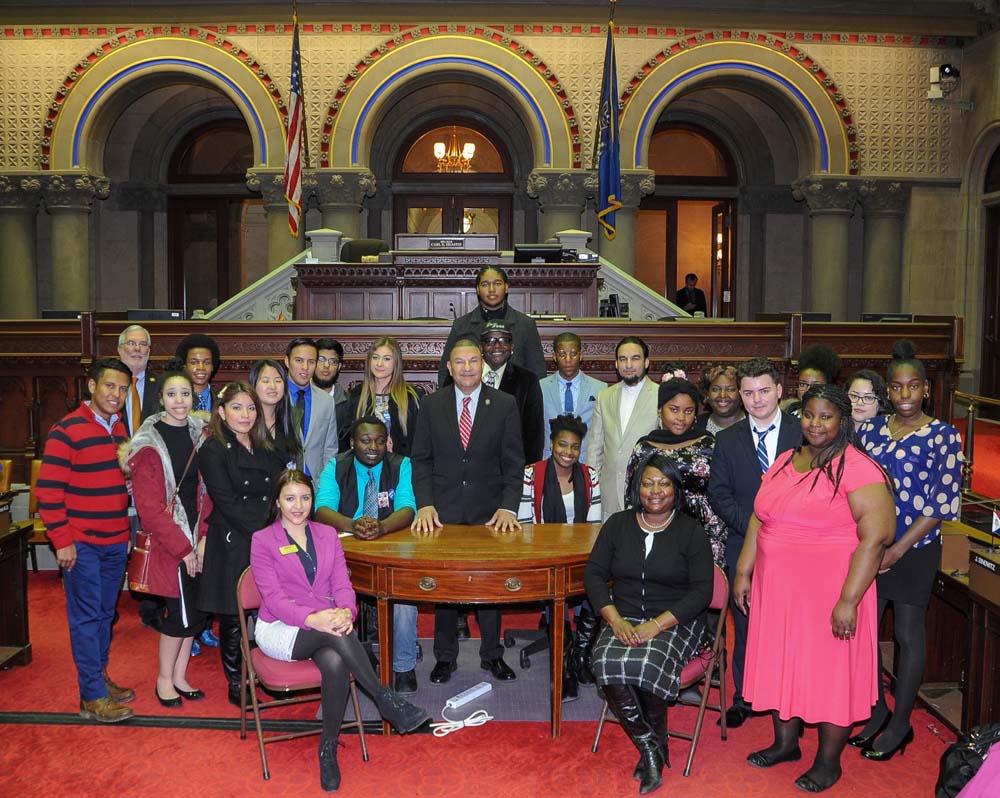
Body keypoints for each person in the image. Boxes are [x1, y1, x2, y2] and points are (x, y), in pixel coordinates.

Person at [734, 384, 896, 793]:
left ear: (842, 420)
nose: (815, 423)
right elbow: (760, 516)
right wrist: (743, 570)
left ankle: (828, 762)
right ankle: (786, 744)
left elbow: (876, 538)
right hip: (779, 591)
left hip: (831, 592)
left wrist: (849, 600)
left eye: (825, 416)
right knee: (782, 662)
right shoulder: (788, 459)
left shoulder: (857, 467)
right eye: (808, 415)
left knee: (830, 675)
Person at [251, 469, 429, 793]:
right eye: (290, 498)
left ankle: (327, 748)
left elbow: (343, 585)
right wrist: (316, 618)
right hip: (281, 628)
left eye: (305, 498)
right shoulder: (263, 540)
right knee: (334, 635)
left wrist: (346, 612)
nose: (298, 506)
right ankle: (384, 697)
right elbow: (274, 600)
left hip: (327, 623)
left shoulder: (327, 534)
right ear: (277, 502)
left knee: (334, 663)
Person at [853, 340, 963, 761]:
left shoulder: (944, 435)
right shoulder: (871, 429)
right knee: (865, 633)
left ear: (926, 390)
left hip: (914, 547)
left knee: (905, 634)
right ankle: (878, 710)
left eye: (912, 387)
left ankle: (901, 724)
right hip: (870, 545)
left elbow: (941, 504)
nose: (904, 395)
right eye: (897, 388)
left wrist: (897, 550)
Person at [584, 454, 714, 795]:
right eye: (647, 482)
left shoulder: (691, 531)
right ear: (635, 487)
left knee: (646, 661)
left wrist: (655, 626)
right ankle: (653, 747)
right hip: (623, 616)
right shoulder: (617, 525)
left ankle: (652, 749)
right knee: (604, 660)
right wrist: (613, 619)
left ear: (676, 489)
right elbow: (594, 574)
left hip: (675, 620)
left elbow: (703, 592)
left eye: (664, 483)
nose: (655, 490)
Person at [411, 338, 524, 685]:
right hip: (442, 513)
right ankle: (445, 658)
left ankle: (492, 655)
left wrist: (508, 506)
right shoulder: (431, 404)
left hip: (488, 513)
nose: (466, 368)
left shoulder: (504, 404)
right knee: (445, 589)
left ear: (482, 365)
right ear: (449, 367)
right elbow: (421, 460)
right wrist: (426, 503)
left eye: (473, 361)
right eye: (459, 362)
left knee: (489, 587)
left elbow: (513, 462)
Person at [36, 357, 136, 722]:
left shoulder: (121, 430)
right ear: (92, 386)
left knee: (105, 615)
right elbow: (47, 492)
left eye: (123, 388)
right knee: (86, 617)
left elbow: (119, 488)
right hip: (81, 544)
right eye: (110, 386)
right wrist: (62, 540)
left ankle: (99, 677)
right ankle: (91, 696)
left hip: (114, 541)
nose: (116, 394)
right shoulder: (67, 430)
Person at [707, 357, 801, 728]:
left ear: (779, 391)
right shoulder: (727, 439)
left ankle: (789, 693)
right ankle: (744, 696)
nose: (756, 399)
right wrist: (755, 529)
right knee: (744, 624)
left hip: (797, 548)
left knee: (790, 625)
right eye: (748, 393)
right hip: (742, 544)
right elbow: (720, 493)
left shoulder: (802, 433)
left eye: (763, 391)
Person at [123, 370, 212, 708]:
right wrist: (184, 548)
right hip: (168, 541)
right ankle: (163, 679)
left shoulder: (201, 434)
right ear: (161, 399)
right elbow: (149, 509)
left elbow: (208, 494)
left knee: (195, 614)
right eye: (172, 394)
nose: (179, 401)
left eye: (185, 394)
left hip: (197, 537)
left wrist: (202, 539)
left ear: (194, 398)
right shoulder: (148, 443)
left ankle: (180, 675)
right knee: (178, 615)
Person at [315, 416, 421, 694]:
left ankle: (404, 666)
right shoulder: (337, 465)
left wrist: (382, 526)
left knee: (405, 599)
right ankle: (348, 660)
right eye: (365, 440)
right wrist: (353, 524)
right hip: (347, 549)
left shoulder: (401, 464)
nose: (373, 447)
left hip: (391, 545)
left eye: (379, 441)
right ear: (352, 443)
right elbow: (322, 508)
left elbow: (408, 508)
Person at [198, 381, 286, 706]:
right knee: (234, 616)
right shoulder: (213, 450)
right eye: (237, 407)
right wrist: (271, 530)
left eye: (250, 407)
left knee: (270, 607)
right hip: (235, 539)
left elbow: (280, 492)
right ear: (221, 412)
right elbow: (226, 502)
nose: (245, 414)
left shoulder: (266, 445)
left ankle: (269, 671)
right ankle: (237, 683)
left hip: (269, 537)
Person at [517, 413, 602, 700]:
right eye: (562, 445)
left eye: (575, 447)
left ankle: (581, 654)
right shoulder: (532, 474)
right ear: (551, 445)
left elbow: (594, 528)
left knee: (600, 583)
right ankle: (565, 669)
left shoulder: (590, 476)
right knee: (559, 592)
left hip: (579, 555)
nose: (568, 452)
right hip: (542, 557)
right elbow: (525, 527)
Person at [625, 378, 728, 565]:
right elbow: (631, 498)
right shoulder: (644, 447)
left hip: (705, 532)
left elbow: (723, 491)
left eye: (688, 411)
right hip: (656, 529)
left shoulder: (708, 444)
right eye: (674, 410)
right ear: (660, 409)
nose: (681, 418)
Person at [589, 336, 659, 519]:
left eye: (635, 358)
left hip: (648, 493)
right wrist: (592, 488)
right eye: (623, 359)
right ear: (616, 364)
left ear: (646, 362)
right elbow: (595, 447)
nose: (628, 364)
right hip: (609, 495)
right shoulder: (604, 396)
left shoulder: (661, 395)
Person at [437, 265, 546, 383]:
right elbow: (445, 370)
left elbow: (538, 372)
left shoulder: (525, 324)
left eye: (497, 284)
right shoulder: (462, 325)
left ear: (506, 287)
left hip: (515, 397)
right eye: (485, 284)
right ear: (477, 289)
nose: (492, 289)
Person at [477, 320, 544, 463]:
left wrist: (526, 473)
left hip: (510, 472)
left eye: (504, 340)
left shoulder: (527, 381)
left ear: (512, 347)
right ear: (481, 348)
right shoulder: (463, 376)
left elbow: (534, 436)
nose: (497, 346)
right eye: (490, 340)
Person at [347, 337, 423, 457]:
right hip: (365, 464)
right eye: (375, 357)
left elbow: (420, 441)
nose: (379, 364)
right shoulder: (358, 394)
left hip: (402, 465)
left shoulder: (412, 396)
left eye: (386, 359)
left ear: (396, 363)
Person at [539, 331, 607, 464]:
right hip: (549, 461)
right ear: (554, 356)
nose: (568, 360)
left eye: (573, 354)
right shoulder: (540, 387)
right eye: (562, 354)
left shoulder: (600, 388)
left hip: (586, 461)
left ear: (581, 355)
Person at [284, 337, 339, 478]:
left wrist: (326, 485)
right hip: (282, 480)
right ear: (287, 362)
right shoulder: (276, 396)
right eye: (299, 360)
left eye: (311, 362)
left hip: (315, 482)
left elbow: (330, 450)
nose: (305, 367)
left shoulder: (326, 401)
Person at [249, 358, 301, 469]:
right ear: (253, 385)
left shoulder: (291, 419)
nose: (273, 386)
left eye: (278, 380)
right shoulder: (245, 421)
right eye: (265, 381)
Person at [117, 324, 159, 436]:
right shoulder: (108, 386)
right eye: (131, 343)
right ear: (120, 350)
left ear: (149, 352)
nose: (137, 348)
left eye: (143, 344)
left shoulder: (162, 385)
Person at [784, 344, 842, 416]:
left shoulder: (837, 418)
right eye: (803, 384)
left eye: (815, 385)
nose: (808, 390)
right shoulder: (787, 414)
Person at [314, 337, 352, 443]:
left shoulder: (349, 403)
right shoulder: (298, 398)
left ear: (339, 366)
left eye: (332, 361)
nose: (326, 365)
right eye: (321, 359)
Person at [175, 333, 221, 415]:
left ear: (213, 366)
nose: (201, 367)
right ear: (184, 365)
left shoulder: (222, 401)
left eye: (207, 363)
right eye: (194, 362)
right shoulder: (173, 401)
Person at [698, 364, 744, 435]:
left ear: (741, 393)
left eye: (730, 389)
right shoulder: (695, 425)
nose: (722, 395)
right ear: (707, 393)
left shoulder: (755, 423)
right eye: (716, 389)